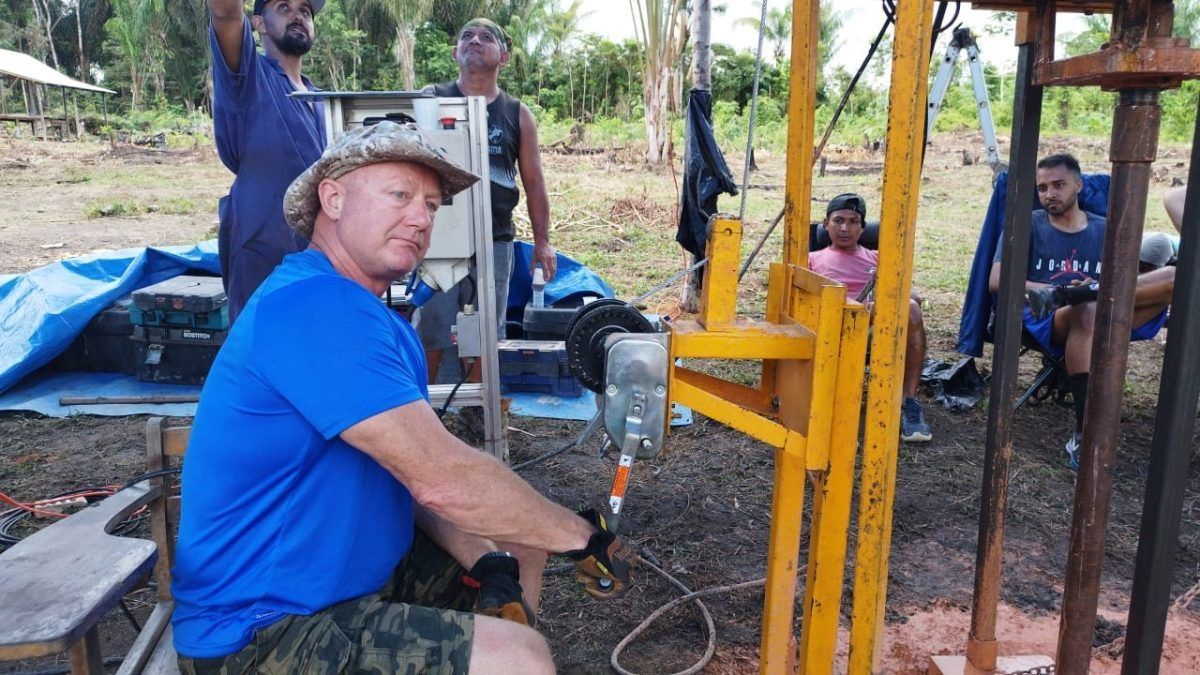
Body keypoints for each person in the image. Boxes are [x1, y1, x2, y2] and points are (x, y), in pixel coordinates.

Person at [170, 123, 634, 674]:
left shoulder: (380, 323)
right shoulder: (313, 308)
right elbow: (441, 479)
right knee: (519, 658)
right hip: (261, 631)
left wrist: (486, 560)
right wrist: (582, 537)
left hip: (355, 580)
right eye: (400, 195)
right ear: (333, 198)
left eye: (432, 206)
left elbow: (406, 476)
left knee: (519, 544)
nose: (421, 219)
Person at [989, 154, 1175, 469]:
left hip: (1106, 308)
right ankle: (1084, 432)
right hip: (1050, 316)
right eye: (1043, 187)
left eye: (1058, 185)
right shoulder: (1028, 224)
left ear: (1078, 184)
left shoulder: (1106, 229)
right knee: (1087, 309)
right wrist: (1048, 292)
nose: (1049, 194)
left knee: (1176, 278)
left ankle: (1079, 293)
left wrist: (1094, 287)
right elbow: (997, 280)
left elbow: (1127, 282)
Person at [416, 18, 555, 382]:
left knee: (487, 331)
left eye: (486, 37)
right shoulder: (432, 99)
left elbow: (535, 182)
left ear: (504, 57)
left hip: (494, 238)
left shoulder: (516, 113)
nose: (474, 40)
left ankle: (481, 415)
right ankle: (426, 410)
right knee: (430, 325)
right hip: (438, 237)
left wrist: (543, 243)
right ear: (454, 52)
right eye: (466, 36)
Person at [208, 0, 328, 323]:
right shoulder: (248, 78)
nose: (298, 15)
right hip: (261, 257)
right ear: (258, 24)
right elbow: (226, 13)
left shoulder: (323, 102)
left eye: (305, 10)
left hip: (318, 261)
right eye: (284, 7)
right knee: (260, 357)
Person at [809, 193, 933, 443]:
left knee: (910, 307)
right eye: (838, 220)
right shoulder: (811, 259)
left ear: (863, 228)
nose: (845, 228)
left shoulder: (879, 259)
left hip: (874, 326)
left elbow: (910, 294)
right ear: (826, 224)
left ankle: (909, 403)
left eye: (853, 221)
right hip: (831, 327)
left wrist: (890, 301)